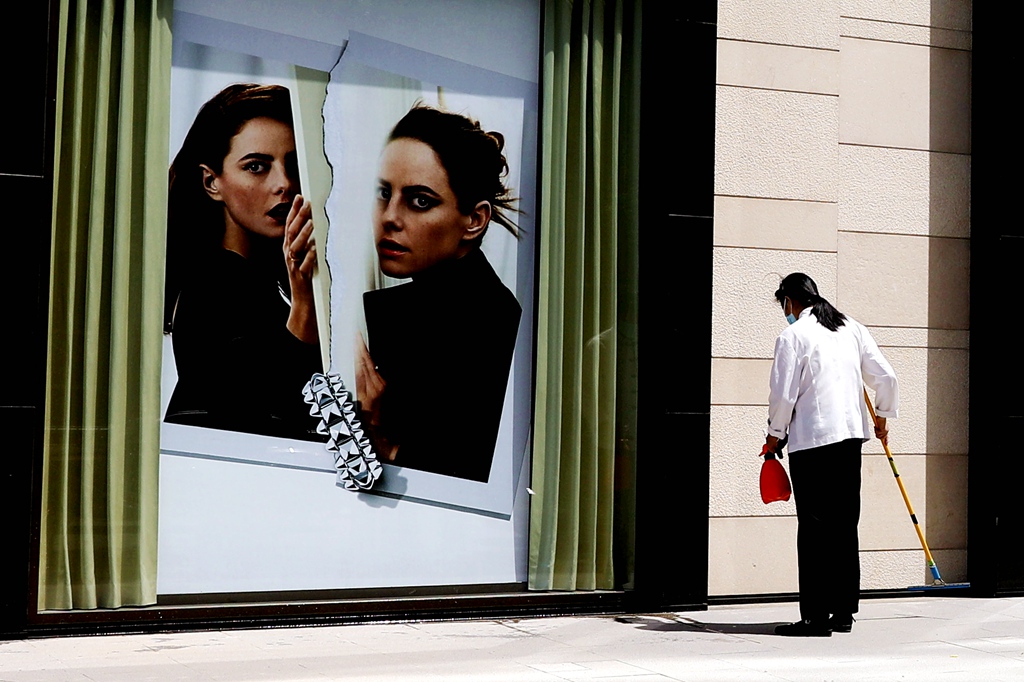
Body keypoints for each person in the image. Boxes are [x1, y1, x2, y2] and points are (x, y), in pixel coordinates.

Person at [356, 105, 522, 482]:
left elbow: (480, 480)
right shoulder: (392, 309)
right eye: (383, 192)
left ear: (474, 220)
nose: (389, 217)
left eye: (420, 201)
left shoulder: (496, 329)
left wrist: (383, 438)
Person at [163, 83, 323, 440]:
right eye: (256, 167)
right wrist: (304, 307)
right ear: (211, 182)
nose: (284, 183)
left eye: (294, 165)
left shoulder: (266, 281)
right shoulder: (212, 286)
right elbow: (267, 412)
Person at [765, 273, 898, 637]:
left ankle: (814, 618)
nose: (785, 313)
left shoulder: (793, 336)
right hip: (850, 439)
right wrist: (882, 417)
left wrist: (774, 436)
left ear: (790, 301)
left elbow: (783, 395)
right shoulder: (851, 327)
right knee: (843, 525)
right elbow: (885, 376)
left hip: (812, 440)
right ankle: (842, 613)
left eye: (784, 307)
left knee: (814, 530)